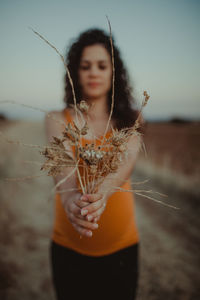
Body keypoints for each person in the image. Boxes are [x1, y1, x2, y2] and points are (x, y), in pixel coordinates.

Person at [45, 28, 142, 300]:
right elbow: (62, 170)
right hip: (68, 247)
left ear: (114, 72)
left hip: (122, 247)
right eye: (85, 66)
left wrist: (102, 194)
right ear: (75, 72)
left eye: (102, 65)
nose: (94, 73)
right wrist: (70, 200)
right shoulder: (57, 119)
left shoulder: (130, 122)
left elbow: (126, 164)